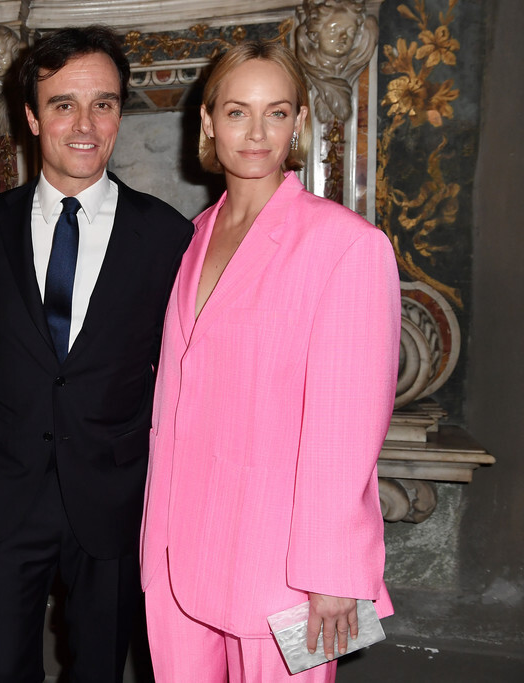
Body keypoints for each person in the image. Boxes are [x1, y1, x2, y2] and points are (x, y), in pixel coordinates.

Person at [140, 40, 399, 682]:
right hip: (177, 556)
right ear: (208, 122)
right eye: (237, 112)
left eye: (276, 112)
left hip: (284, 572)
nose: (256, 132)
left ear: (299, 122)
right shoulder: (190, 238)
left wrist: (334, 575)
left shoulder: (347, 245)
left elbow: (346, 434)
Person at [0, 25, 194, 683]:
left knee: (100, 669)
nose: (85, 124)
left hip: (115, 495)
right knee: (0, 669)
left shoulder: (166, 235)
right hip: (9, 491)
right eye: (64, 104)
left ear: (120, 113)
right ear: (32, 117)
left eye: (104, 104)